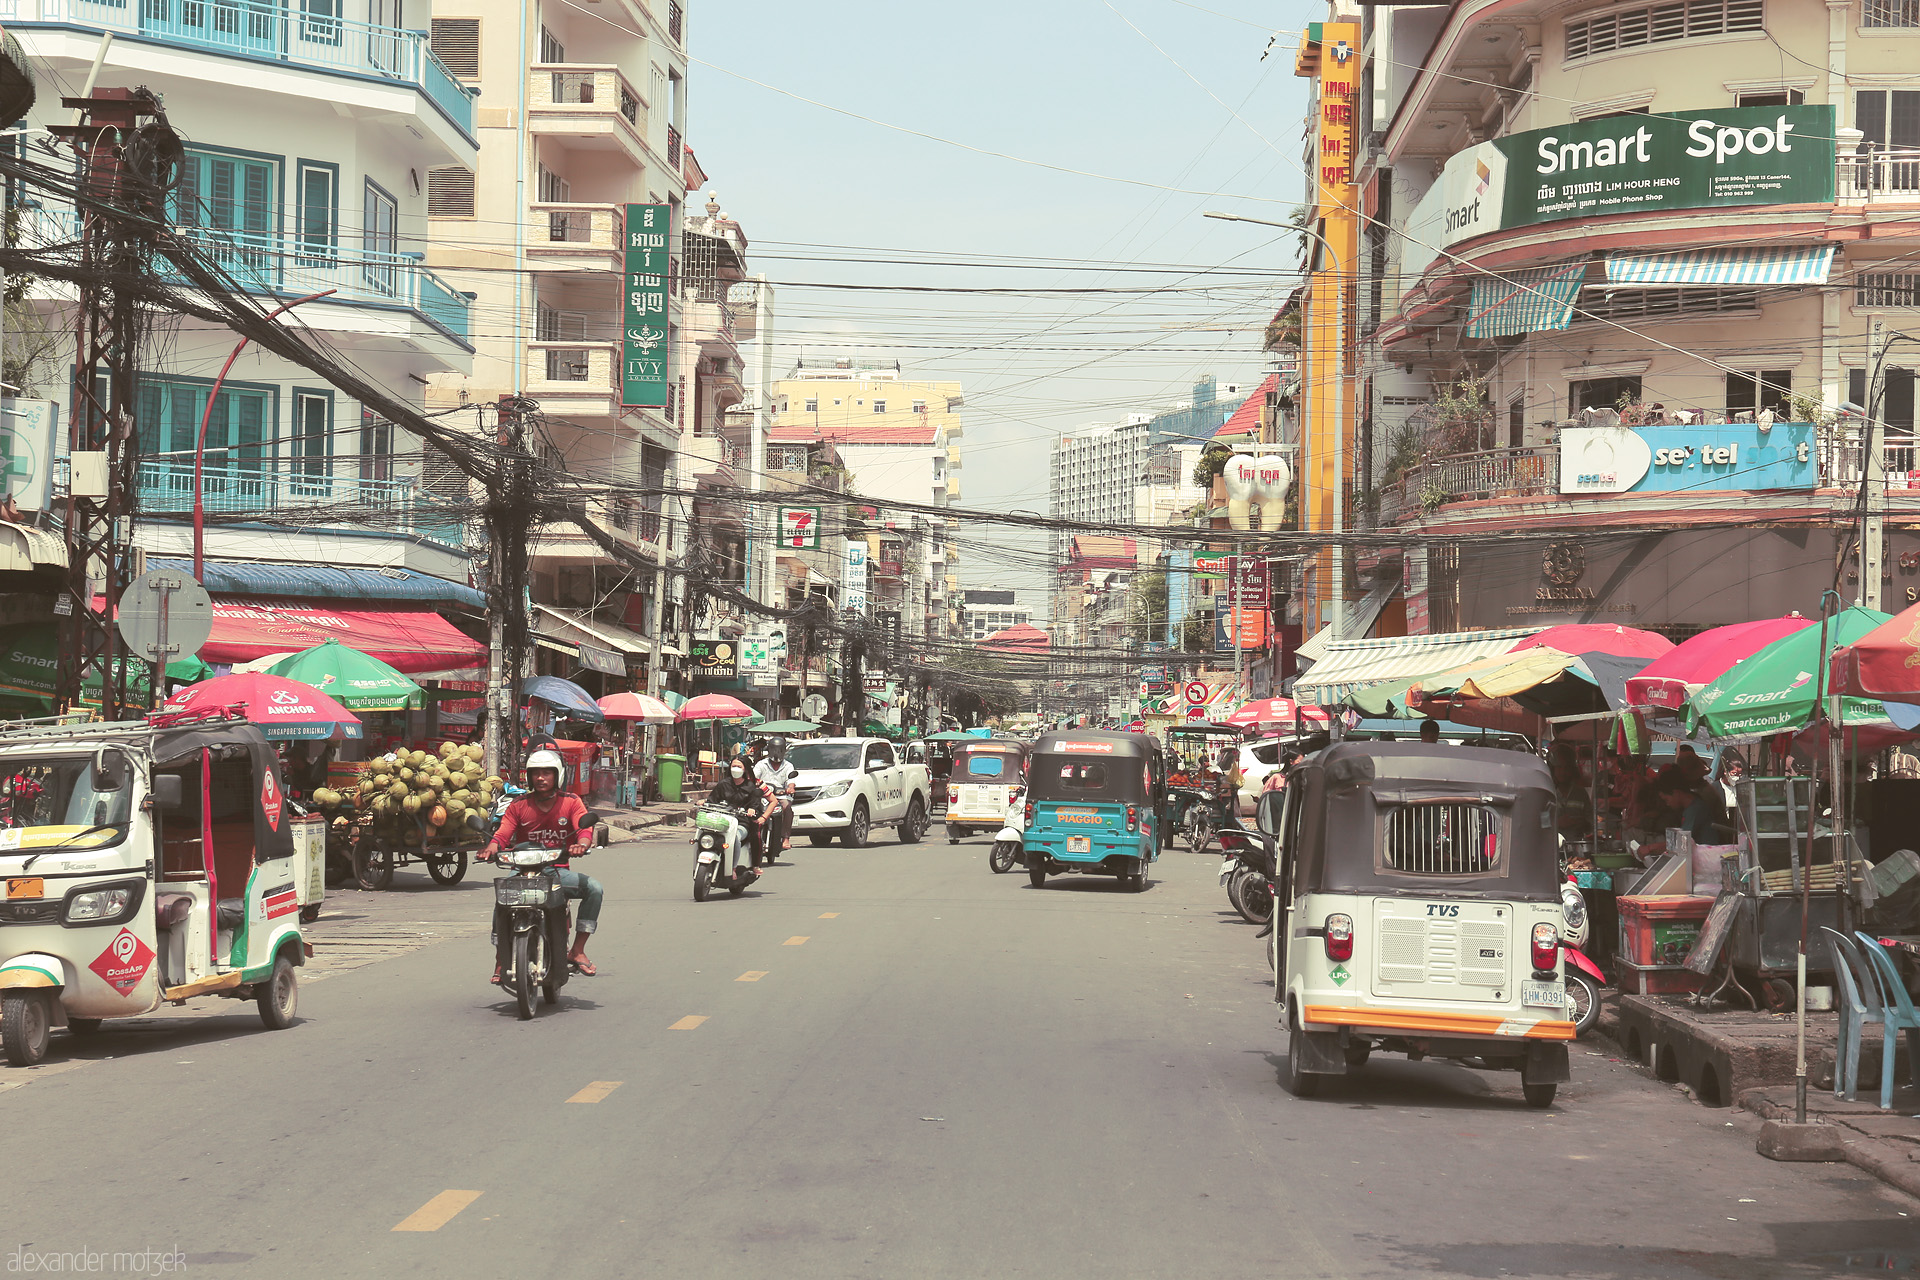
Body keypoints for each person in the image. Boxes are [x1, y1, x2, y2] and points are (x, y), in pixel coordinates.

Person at [481, 749, 603, 979]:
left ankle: (577, 950)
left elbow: (584, 828)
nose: (541, 778)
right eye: (536, 773)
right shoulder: (518, 805)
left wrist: (582, 844)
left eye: (547, 773)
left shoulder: (571, 802)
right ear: (529, 777)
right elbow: (504, 832)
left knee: (594, 888)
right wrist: (492, 847)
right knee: (502, 898)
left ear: (557, 776)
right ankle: (501, 958)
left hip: (556, 873)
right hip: (521, 871)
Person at [710, 757, 775, 869]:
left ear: (746, 769)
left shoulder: (754, 785)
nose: (736, 769)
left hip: (742, 821)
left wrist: (761, 816)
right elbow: (712, 800)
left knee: (755, 834)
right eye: (733, 766)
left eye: (739, 767)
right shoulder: (723, 784)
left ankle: (752, 865)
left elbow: (768, 802)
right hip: (723, 820)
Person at [754, 735, 799, 862]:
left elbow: (791, 780)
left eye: (779, 750)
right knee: (753, 809)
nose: (776, 753)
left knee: (787, 808)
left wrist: (790, 787)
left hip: (781, 795)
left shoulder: (788, 766)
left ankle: (785, 838)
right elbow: (754, 776)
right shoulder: (761, 764)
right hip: (764, 795)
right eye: (774, 750)